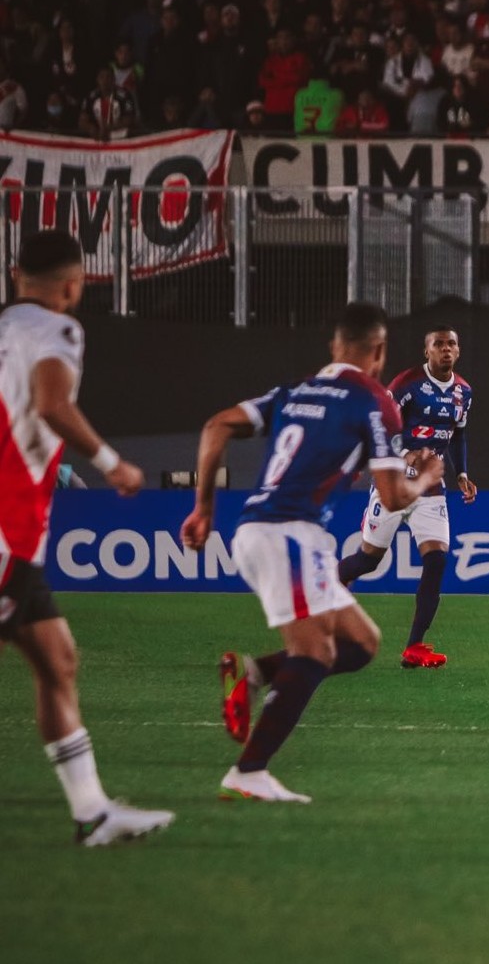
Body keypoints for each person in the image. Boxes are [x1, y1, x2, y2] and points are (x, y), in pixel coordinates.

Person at [182, 303, 443, 803]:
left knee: (361, 644)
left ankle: (252, 673)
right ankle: (249, 772)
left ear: (334, 346)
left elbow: (216, 426)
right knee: (316, 651)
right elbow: (392, 497)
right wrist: (427, 478)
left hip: (267, 530)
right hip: (288, 534)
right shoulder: (374, 400)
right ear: (379, 352)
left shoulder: (294, 391)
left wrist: (202, 509)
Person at [0, 230, 173, 846]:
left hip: (15, 540)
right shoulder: (57, 332)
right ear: (75, 286)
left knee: (58, 659)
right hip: (4, 532)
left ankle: (92, 812)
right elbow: (51, 403)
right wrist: (111, 461)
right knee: (54, 660)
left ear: (16, 272)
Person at [336, 327, 476, 668]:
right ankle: (327, 582)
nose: (446, 349)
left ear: (458, 351)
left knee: (437, 559)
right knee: (368, 560)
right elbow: (380, 423)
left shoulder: (464, 392)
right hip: (394, 483)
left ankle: (415, 646)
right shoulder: (408, 383)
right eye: (438, 344)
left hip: (431, 488)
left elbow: (458, 435)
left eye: (452, 344)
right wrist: (391, 456)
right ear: (426, 351)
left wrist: (461, 474)